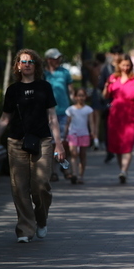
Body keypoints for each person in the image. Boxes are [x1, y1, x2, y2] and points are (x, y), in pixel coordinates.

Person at [0, 50, 66, 243]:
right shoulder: (12, 90)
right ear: (17, 65)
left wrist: (59, 143)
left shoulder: (45, 87)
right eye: (23, 61)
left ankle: (41, 219)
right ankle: (25, 229)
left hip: (42, 141)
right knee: (19, 187)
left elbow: (52, 117)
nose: (27, 64)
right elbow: (5, 118)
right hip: (17, 142)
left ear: (36, 65)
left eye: (31, 61)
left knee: (41, 185)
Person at [103, 54, 134, 183]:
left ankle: (124, 171)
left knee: (128, 142)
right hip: (115, 113)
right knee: (117, 144)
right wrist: (106, 86)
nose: (126, 68)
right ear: (119, 65)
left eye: (128, 65)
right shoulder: (113, 78)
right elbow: (106, 96)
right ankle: (122, 168)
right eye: (123, 65)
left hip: (130, 113)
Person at [44, 48, 74, 182]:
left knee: (63, 141)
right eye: (55, 58)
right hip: (48, 113)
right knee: (50, 143)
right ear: (48, 59)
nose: (58, 60)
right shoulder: (43, 74)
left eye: (59, 58)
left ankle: (65, 167)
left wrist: (75, 107)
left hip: (64, 111)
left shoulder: (65, 73)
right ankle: (53, 171)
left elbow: (71, 91)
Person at [98, 45, 124, 162]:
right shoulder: (107, 68)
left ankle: (120, 148)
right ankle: (110, 150)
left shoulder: (125, 67)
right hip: (110, 103)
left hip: (122, 103)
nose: (117, 56)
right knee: (108, 127)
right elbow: (100, 85)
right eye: (115, 54)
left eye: (119, 54)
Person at [64, 88, 95, 184]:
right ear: (75, 97)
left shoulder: (88, 109)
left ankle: (81, 176)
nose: (81, 98)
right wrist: (64, 134)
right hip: (72, 133)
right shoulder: (70, 109)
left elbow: (91, 122)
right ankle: (74, 174)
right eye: (79, 95)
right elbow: (67, 123)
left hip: (84, 134)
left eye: (83, 95)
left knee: (82, 155)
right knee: (73, 154)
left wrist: (93, 132)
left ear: (85, 97)